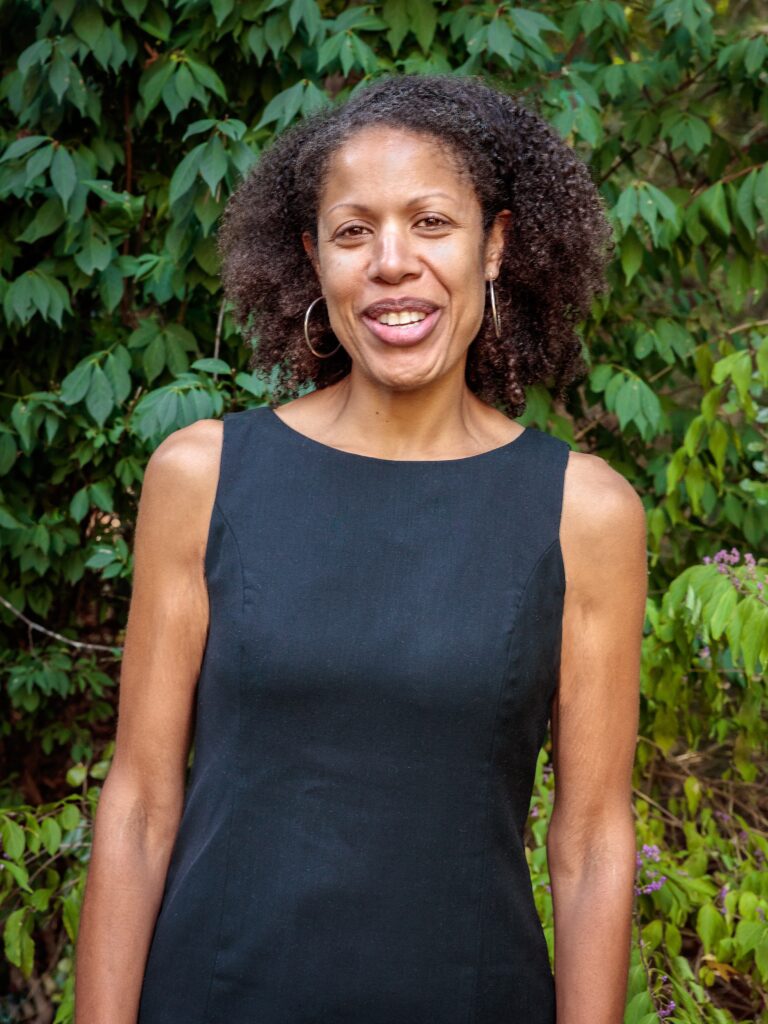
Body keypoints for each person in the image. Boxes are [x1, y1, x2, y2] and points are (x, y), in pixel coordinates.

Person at [74, 73, 648, 1024]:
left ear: (495, 244)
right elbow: (138, 806)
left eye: (432, 223)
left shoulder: (583, 513)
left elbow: (591, 844)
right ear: (314, 258)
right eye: (353, 231)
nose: (392, 263)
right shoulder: (202, 478)